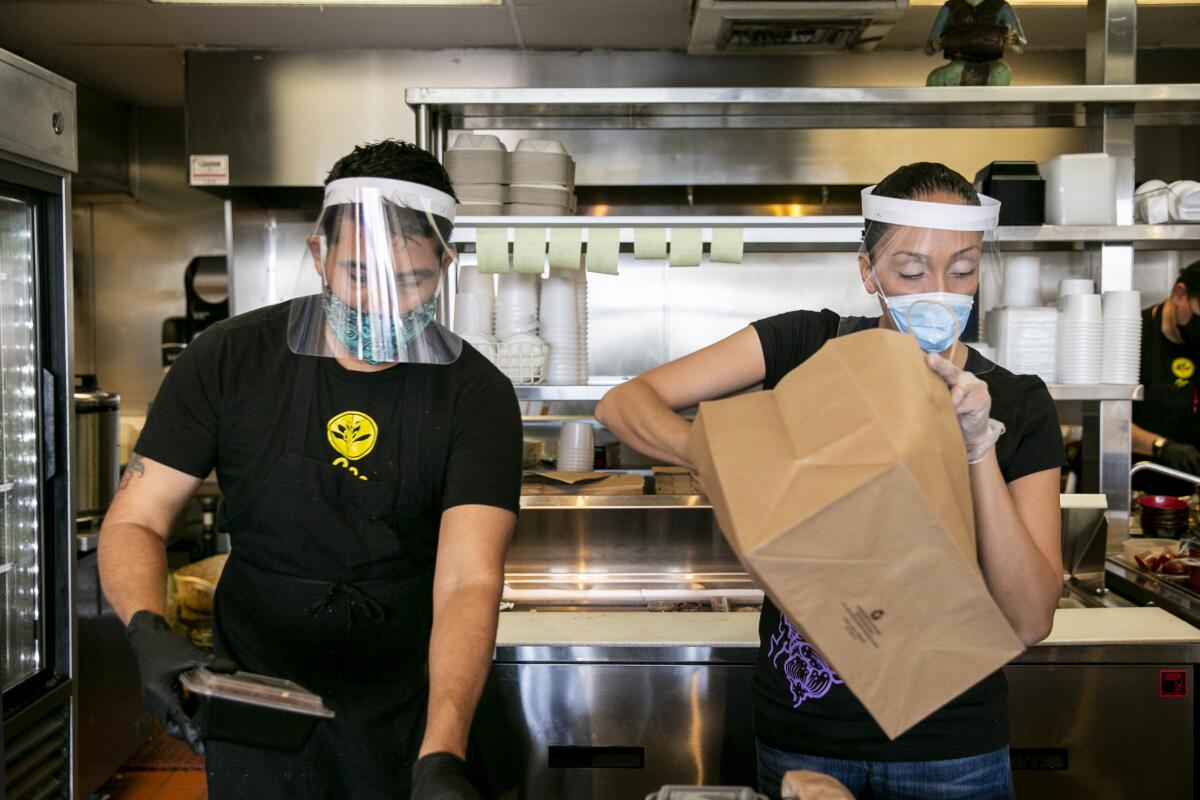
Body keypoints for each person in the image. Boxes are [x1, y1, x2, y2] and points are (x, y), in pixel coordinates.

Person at [596, 162, 1064, 800]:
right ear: (868, 271)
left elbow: (1031, 617)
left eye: (963, 270)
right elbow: (627, 403)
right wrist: (730, 463)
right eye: (910, 270)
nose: (939, 291)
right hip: (804, 731)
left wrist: (978, 444)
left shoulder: (1019, 400)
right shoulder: (807, 347)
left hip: (951, 745)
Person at [99, 140, 522, 800]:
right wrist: (148, 628)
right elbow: (136, 517)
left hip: (412, 696)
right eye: (358, 275)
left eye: (410, 282)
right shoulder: (227, 360)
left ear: (444, 263)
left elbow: (469, 578)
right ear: (317, 254)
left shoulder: (478, 394)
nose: (382, 308)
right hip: (261, 695)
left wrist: (442, 752)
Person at [1131, 260, 1200, 493]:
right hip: (1136, 482)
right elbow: (1110, 423)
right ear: (1179, 293)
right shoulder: (1134, 335)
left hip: (1192, 486)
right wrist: (1162, 446)